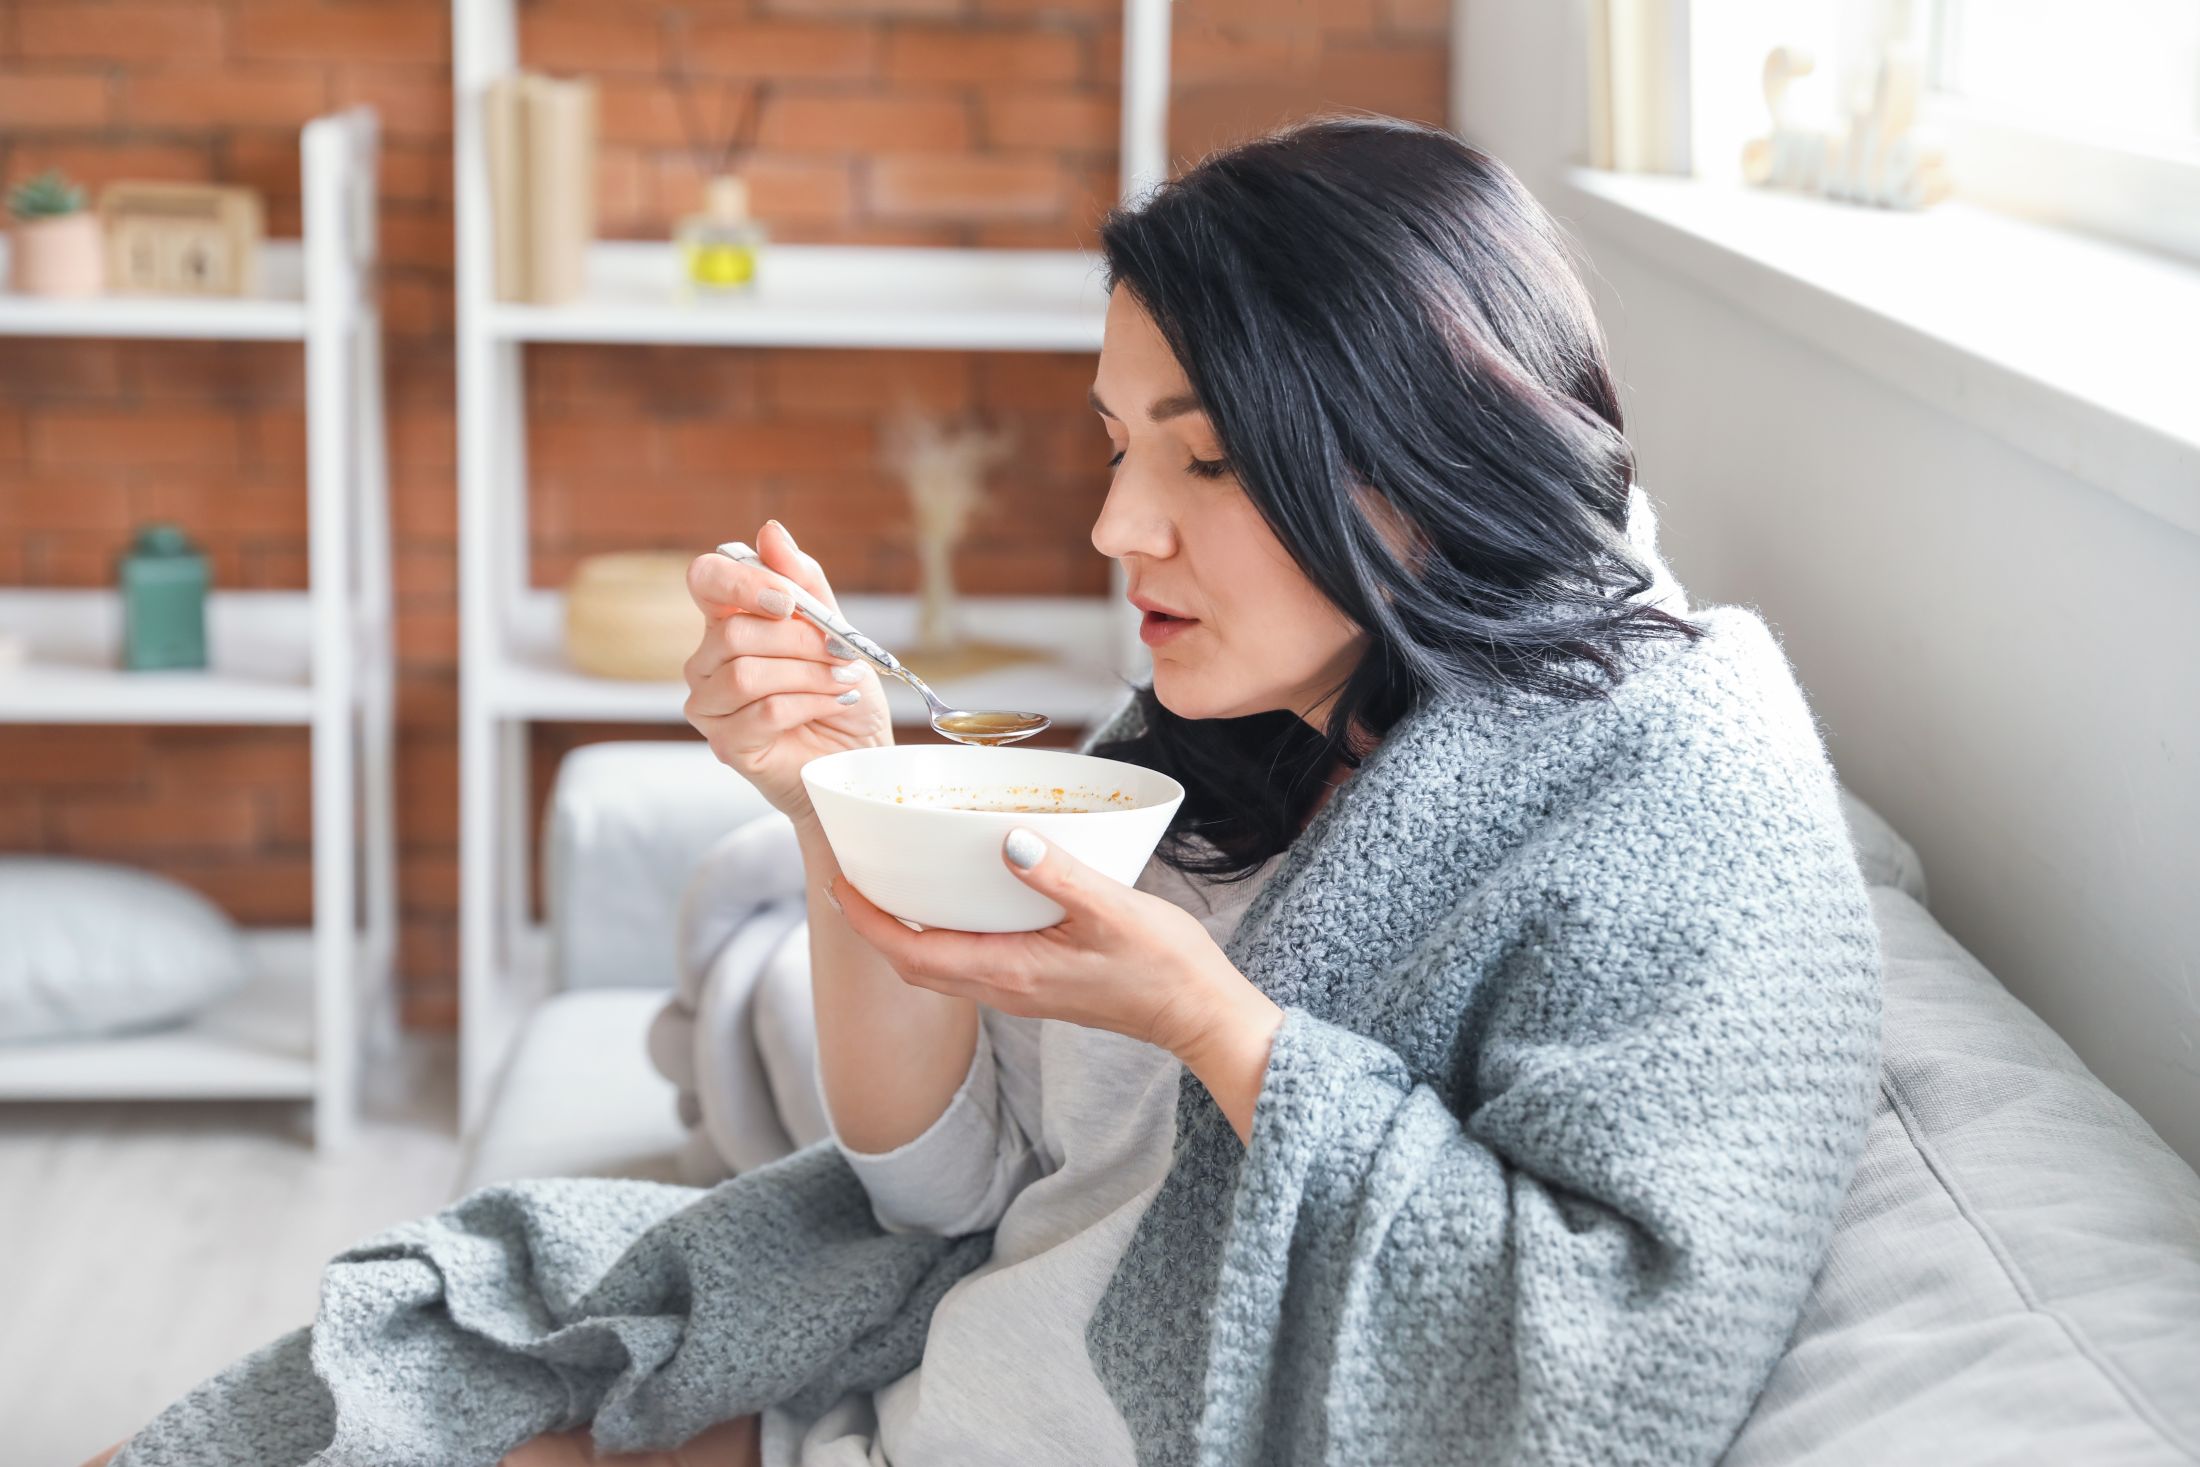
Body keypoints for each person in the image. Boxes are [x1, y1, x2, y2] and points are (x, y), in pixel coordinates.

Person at [91, 116, 1880, 1467]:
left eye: (1210, 456)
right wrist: (840, 804)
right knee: (343, 1395)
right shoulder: (1262, 718)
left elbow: (1608, 1356)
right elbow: (941, 1189)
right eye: (1117, 443)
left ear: (1432, 448)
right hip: (923, 1381)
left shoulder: (1672, 782)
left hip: (1034, 1423)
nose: (1118, 530)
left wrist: (1223, 1033)